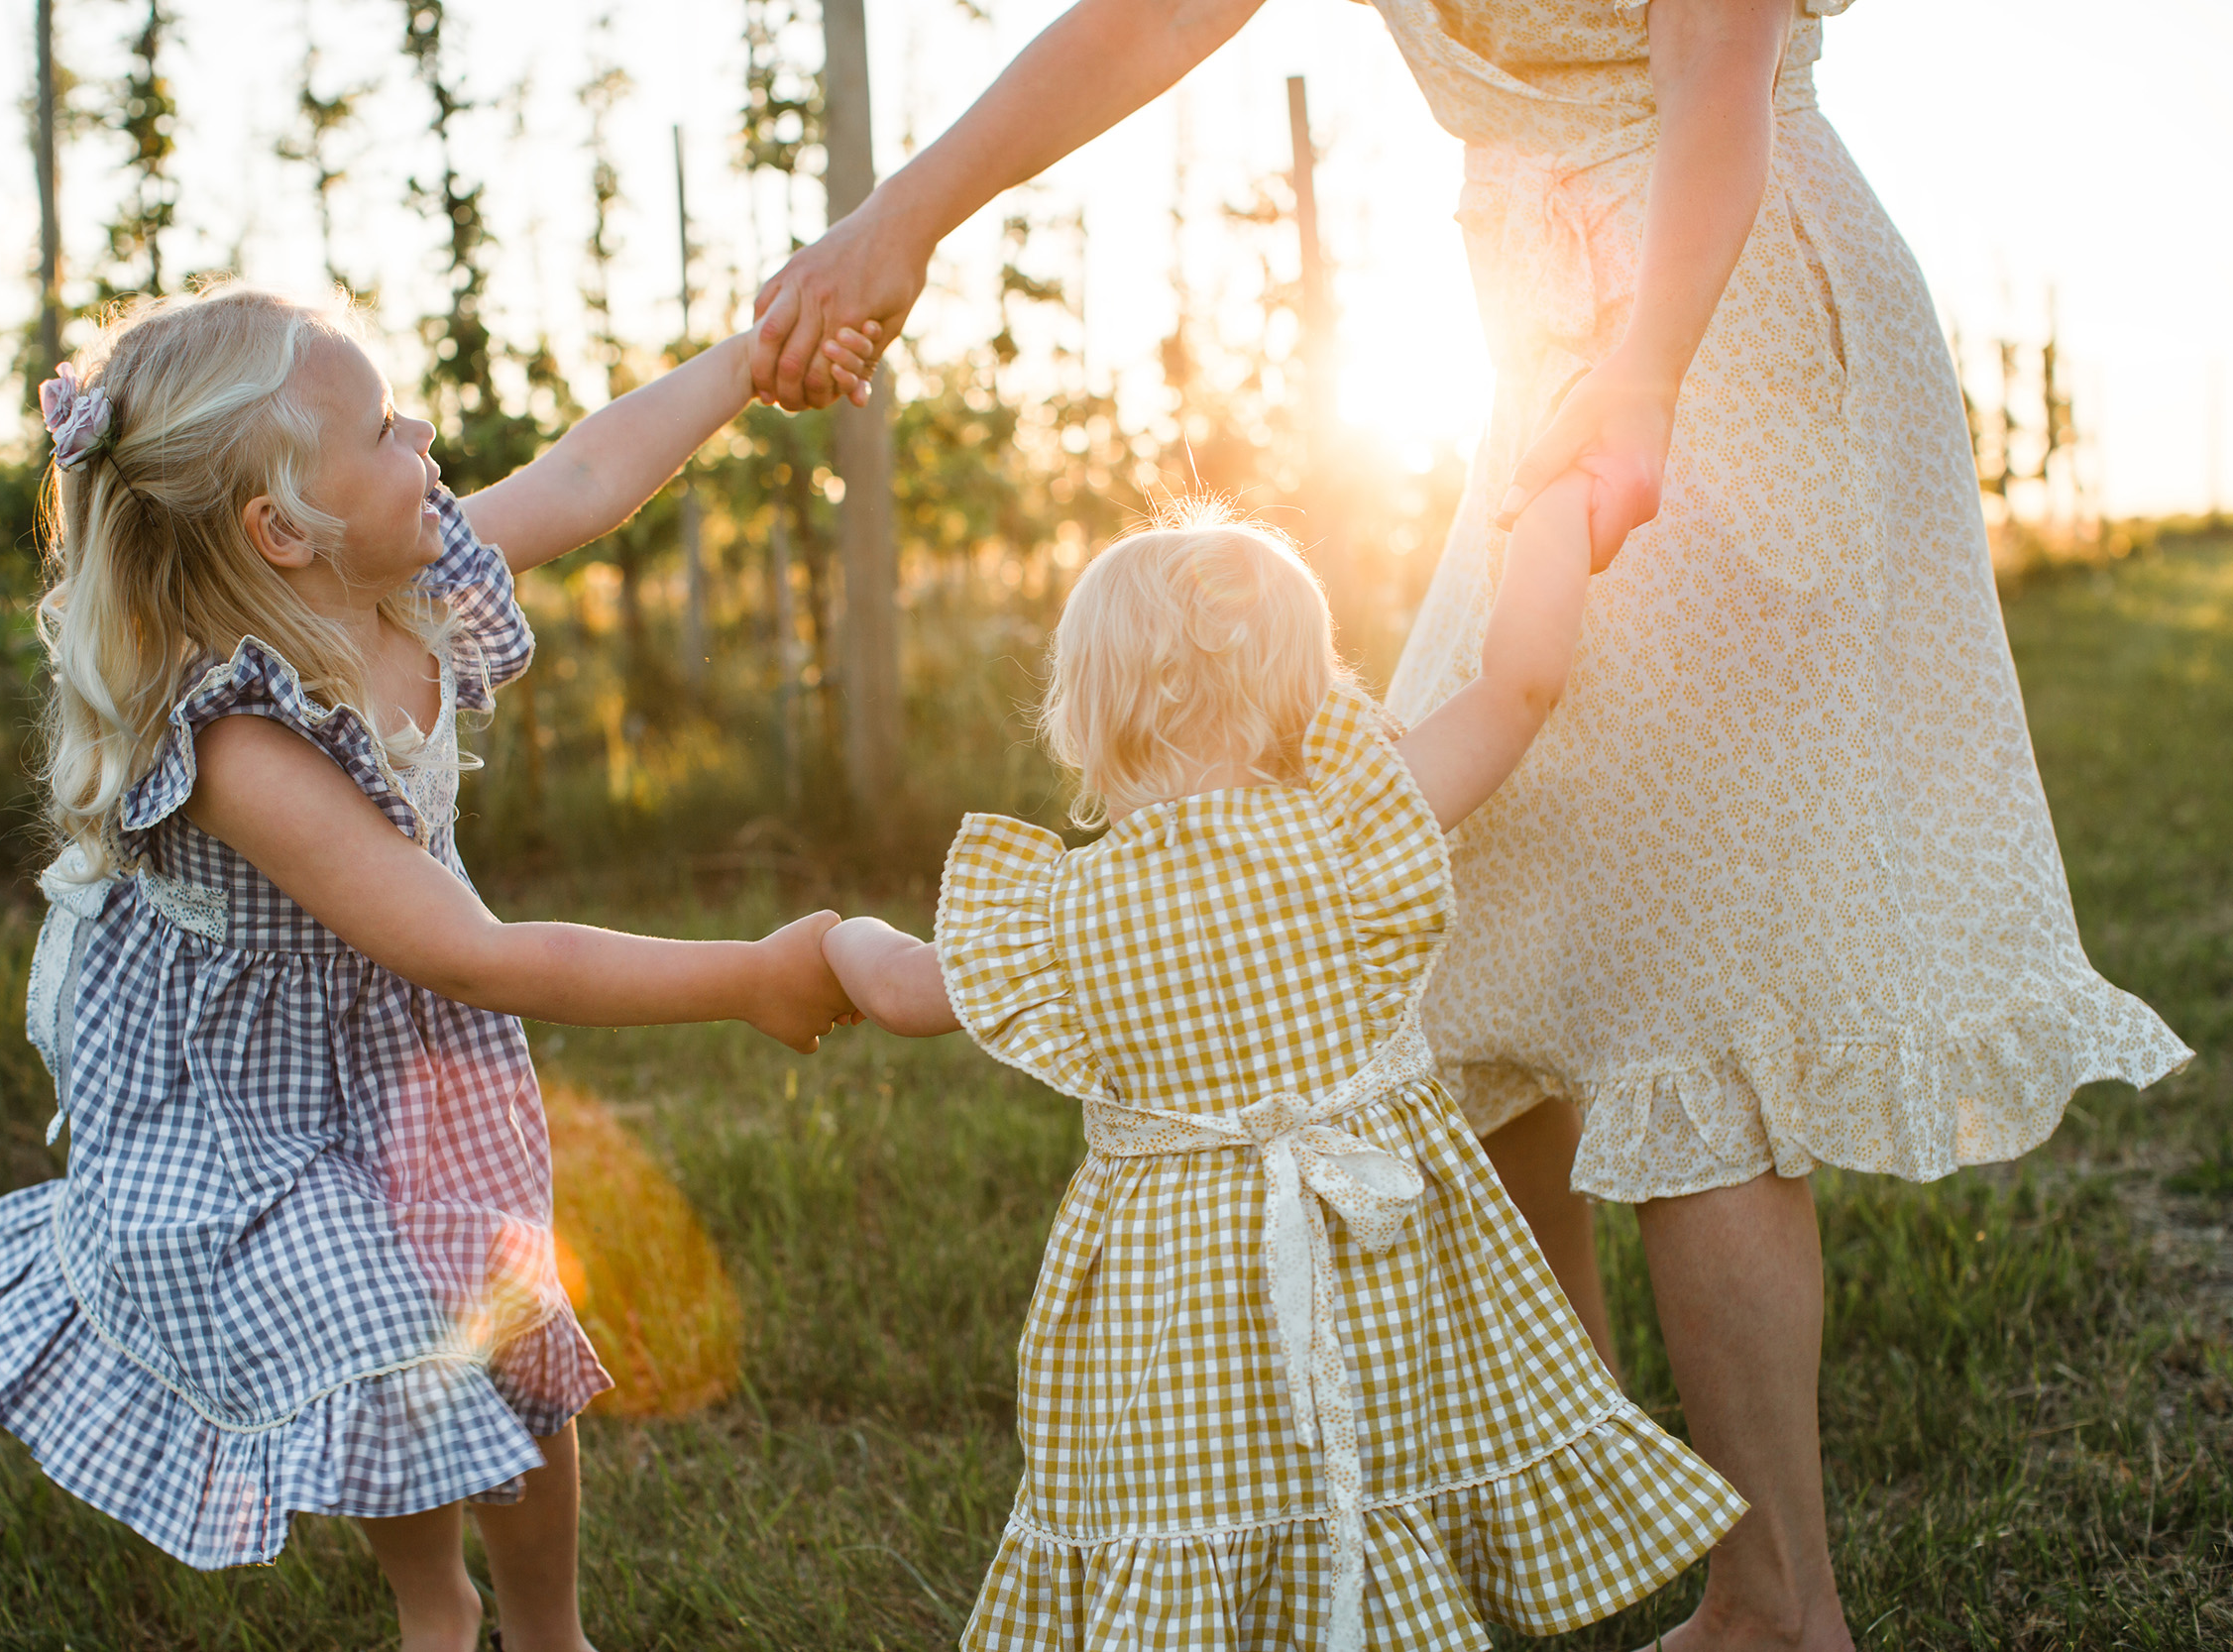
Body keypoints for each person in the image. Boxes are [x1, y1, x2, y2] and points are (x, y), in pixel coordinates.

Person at [749, 4, 2190, 1646]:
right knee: (1454, 931)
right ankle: (1546, 1490)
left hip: (1717, 317)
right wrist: (905, 212)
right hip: (1551, 363)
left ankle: (1777, 1609)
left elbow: (1717, 72)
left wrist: (1643, 373)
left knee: (1679, 968)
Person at [0, 283, 875, 1652]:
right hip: (256, 1106)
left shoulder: (399, 575)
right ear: (285, 529)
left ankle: (548, 1623)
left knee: (505, 1332)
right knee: (398, 1346)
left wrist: (746, 364)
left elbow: (582, 471)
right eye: (386, 426)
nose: (426, 433)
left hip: (410, 1051)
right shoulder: (237, 749)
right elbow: (478, 951)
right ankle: (434, 1602)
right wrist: (747, 970)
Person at [823, 488, 1743, 1651]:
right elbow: (1516, 689)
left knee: (1199, 1485)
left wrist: (832, 940)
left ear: (1087, 708)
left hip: (1180, 1294)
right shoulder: (1355, 826)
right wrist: (1554, 519)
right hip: (1374, 1245)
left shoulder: (1059, 907)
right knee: (1376, 1444)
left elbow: (905, 989)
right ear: (1301, 689)